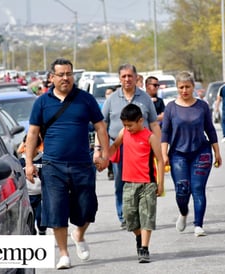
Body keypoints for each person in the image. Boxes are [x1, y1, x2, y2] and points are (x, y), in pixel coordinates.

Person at [24, 58, 110, 270]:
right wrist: (28, 163)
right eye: (61, 74)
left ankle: (79, 234)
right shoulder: (41, 103)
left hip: (82, 164)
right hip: (53, 166)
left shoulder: (86, 100)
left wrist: (104, 154)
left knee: (87, 207)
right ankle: (64, 254)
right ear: (52, 78)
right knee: (56, 210)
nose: (65, 78)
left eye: (69, 74)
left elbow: (100, 127)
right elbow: (33, 134)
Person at [97, 63, 161, 230]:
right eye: (124, 76)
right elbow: (102, 125)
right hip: (119, 146)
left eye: (130, 76)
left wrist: (160, 148)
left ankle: (142, 213)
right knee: (121, 182)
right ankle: (124, 216)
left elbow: (154, 123)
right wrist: (100, 150)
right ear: (119, 78)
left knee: (145, 181)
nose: (127, 79)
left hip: (143, 147)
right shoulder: (111, 99)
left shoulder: (145, 98)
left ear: (136, 77)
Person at [161, 71, 222, 237]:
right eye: (181, 87)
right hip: (178, 154)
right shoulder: (171, 108)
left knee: (197, 188)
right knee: (182, 189)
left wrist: (217, 151)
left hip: (201, 152)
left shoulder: (202, 106)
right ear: (177, 88)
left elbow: (210, 129)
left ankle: (198, 225)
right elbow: (165, 132)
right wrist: (164, 154)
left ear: (193, 87)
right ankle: (183, 213)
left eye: (187, 87)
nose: (184, 90)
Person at [108, 103, 164, 263]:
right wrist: (104, 157)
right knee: (129, 218)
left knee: (147, 217)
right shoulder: (123, 132)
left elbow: (159, 160)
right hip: (129, 183)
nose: (128, 128)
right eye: (125, 125)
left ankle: (144, 248)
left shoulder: (150, 137)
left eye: (130, 125)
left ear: (140, 121)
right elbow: (115, 146)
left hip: (147, 183)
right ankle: (139, 237)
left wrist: (160, 184)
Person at [18, 135, 47, 236]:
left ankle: (42, 231)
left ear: (38, 147)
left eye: (30, 146)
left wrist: (39, 172)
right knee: (30, 219)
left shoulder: (43, 160)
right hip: (27, 197)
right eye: (25, 146)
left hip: (40, 196)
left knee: (41, 218)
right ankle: (33, 235)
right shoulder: (20, 162)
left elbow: (48, 178)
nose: (27, 149)